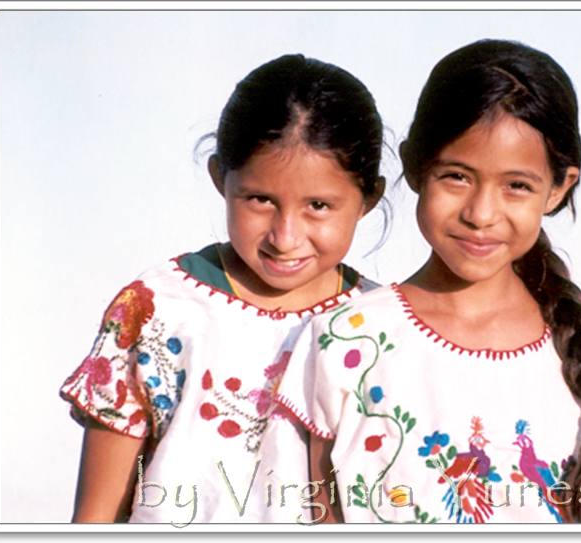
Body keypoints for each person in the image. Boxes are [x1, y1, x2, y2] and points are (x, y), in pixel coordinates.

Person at [272, 39, 581, 524]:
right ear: (415, 167)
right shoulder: (347, 339)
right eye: (457, 176)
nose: (481, 214)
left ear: (558, 188)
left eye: (517, 186)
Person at [59, 53, 385, 525]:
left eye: (318, 205)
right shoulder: (156, 309)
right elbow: (95, 517)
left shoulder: (381, 325)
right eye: (260, 199)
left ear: (368, 199)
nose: (285, 237)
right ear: (220, 178)